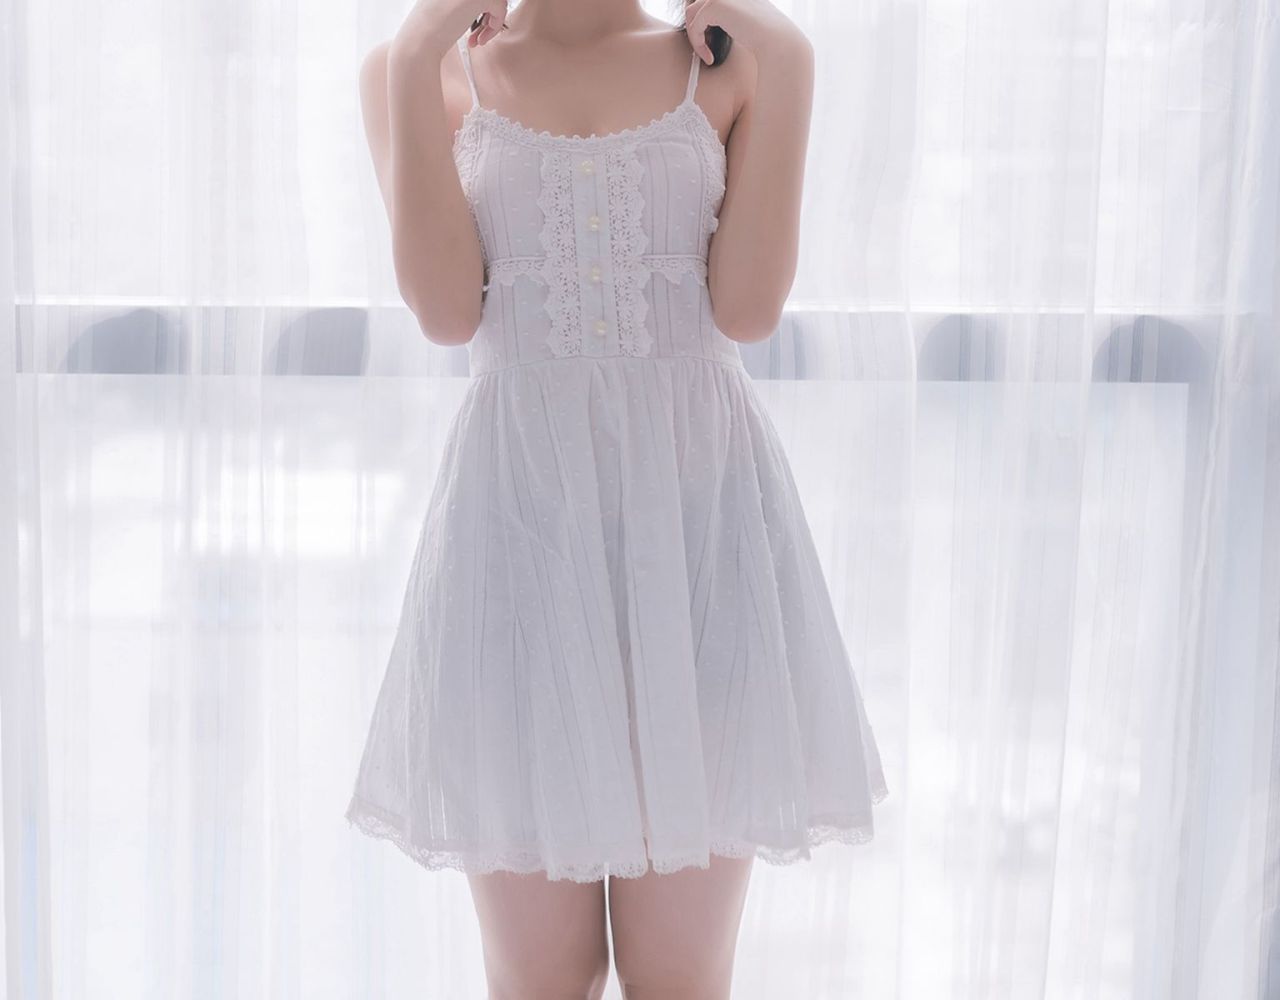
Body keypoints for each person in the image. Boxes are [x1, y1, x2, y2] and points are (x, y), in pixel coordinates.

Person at [344, 0, 889, 996]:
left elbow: (746, 309)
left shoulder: (733, 65)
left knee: (679, 974)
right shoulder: (417, 69)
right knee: (538, 975)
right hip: (518, 549)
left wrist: (789, 50)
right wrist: (420, 48)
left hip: (700, 551)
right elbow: (445, 311)